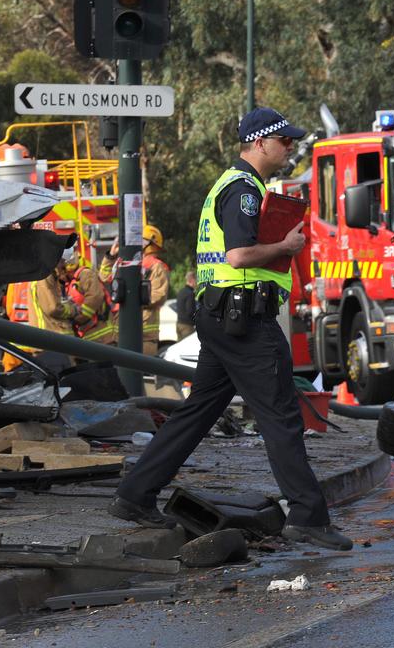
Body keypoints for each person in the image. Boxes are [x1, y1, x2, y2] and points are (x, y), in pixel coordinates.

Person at [108, 106, 352, 552]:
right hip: (244, 321)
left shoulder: (234, 185)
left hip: (222, 317)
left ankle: (134, 494)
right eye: (285, 141)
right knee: (281, 416)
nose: (291, 148)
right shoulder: (242, 190)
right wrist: (286, 245)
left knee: (199, 410)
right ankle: (308, 517)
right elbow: (238, 256)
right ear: (260, 143)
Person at [99, 224, 171, 355]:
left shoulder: (157, 267)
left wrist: (132, 298)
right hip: (121, 332)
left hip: (143, 336)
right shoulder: (126, 262)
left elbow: (158, 296)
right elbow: (104, 277)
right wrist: (111, 256)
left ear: (146, 243)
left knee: (139, 373)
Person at [175, 270, 197, 340]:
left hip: (179, 324)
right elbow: (190, 311)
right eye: (196, 280)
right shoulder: (190, 293)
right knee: (188, 349)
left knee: (180, 348)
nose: (196, 283)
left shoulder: (181, 292)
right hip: (187, 326)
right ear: (192, 280)